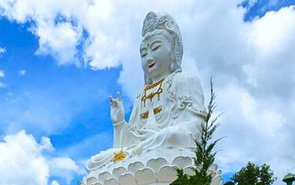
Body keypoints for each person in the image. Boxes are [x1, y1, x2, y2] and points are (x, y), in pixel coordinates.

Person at [86, 12, 206, 171]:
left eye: (155, 48)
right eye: (143, 53)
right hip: (139, 154)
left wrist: (162, 136)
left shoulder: (185, 80)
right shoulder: (140, 96)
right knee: (94, 161)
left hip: (168, 152)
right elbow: (128, 143)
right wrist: (119, 122)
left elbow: (196, 129)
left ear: (174, 50)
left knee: (170, 136)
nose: (149, 58)